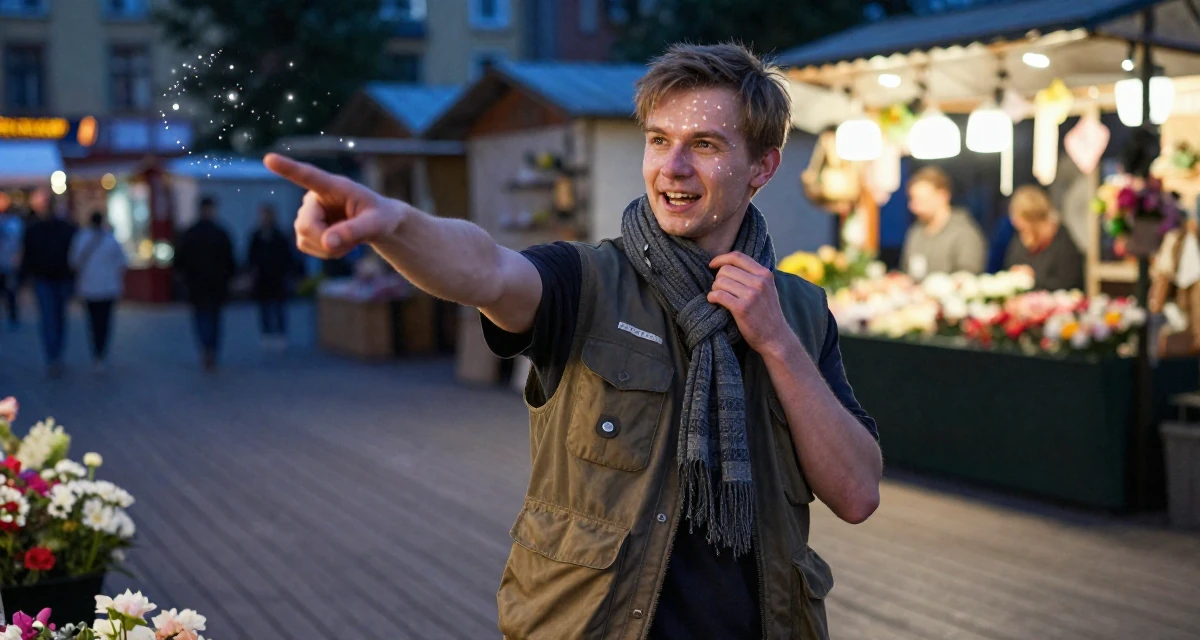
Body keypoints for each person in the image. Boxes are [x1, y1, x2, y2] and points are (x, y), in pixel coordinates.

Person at [266, 42, 881, 640]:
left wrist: (776, 342)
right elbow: (486, 270)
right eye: (659, 140)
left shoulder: (799, 310)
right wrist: (396, 224)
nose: (673, 168)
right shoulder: (586, 280)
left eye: (705, 145)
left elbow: (856, 493)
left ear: (763, 167)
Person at [19, 189, 77, 378]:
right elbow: (28, 256)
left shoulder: (63, 228)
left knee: (56, 318)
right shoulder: (36, 229)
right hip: (46, 279)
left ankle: (55, 355)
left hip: (58, 279)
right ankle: (54, 356)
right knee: (51, 319)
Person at [174, 197, 236, 371]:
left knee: (201, 318)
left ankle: (206, 348)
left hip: (197, 284)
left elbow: (180, 260)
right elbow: (230, 260)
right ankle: (212, 350)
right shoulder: (220, 232)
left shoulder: (190, 233)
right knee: (215, 319)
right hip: (216, 284)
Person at [900, 166, 987, 279]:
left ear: (942, 196)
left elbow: (967, 277)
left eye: (920, 200)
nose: (913, 207)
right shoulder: (915, 232)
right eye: (912, 199)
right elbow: (907, 273)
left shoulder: (964, 232)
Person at [69, 212, 127, 372]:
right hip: (108, 288)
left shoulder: (81, 238)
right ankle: (102, 353)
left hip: (88, 288)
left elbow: (73, 262)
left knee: (93, 322)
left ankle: (96, 352)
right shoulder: (111, 239)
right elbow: (122, 262)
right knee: (105, 322)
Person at [1004, 185, 1084, 291]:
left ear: (1035, 221)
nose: (1023, 234)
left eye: (1025, 228)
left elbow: (1068, 285)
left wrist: (1032, 279)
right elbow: (1010, 267)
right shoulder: (1019, 243)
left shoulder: (1063, 244)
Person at [246, 204, 295, 349]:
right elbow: (251, 256)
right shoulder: (256, 235)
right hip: (263, 278)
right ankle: (267, 333)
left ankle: (280, 334)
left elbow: (287, 256)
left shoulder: (279, 236)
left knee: (279, 308)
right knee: (265, 308)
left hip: (277, 277)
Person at [0, 207, 23, 328]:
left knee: (10, 292)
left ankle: (12, 316)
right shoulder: (16, 224)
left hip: (9, 264)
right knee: (10, 292)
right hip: (9, 263)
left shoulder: (14, 224)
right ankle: (12, 316)